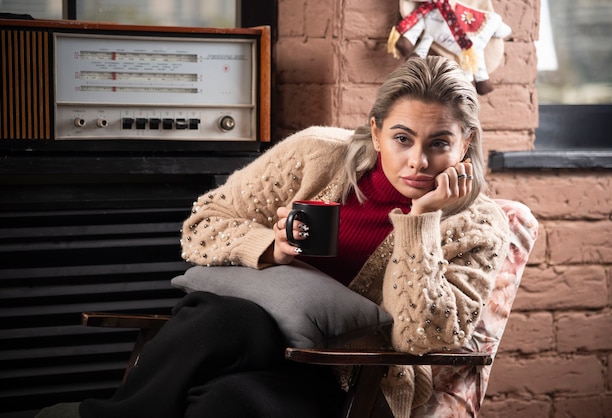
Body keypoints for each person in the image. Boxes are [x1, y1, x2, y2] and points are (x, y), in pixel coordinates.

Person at [36, 56, 510, 418]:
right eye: (403, 138)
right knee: (220, 319)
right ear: (377, 130)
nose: (418, 162)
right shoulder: (315, 155)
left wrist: (421, 221)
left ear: (465, 141)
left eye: (440, 143)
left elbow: (419, 338)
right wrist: (270, 247)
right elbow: (203, 225)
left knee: (224, 400)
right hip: (248, 333)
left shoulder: (479, 226)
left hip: (346, 377)